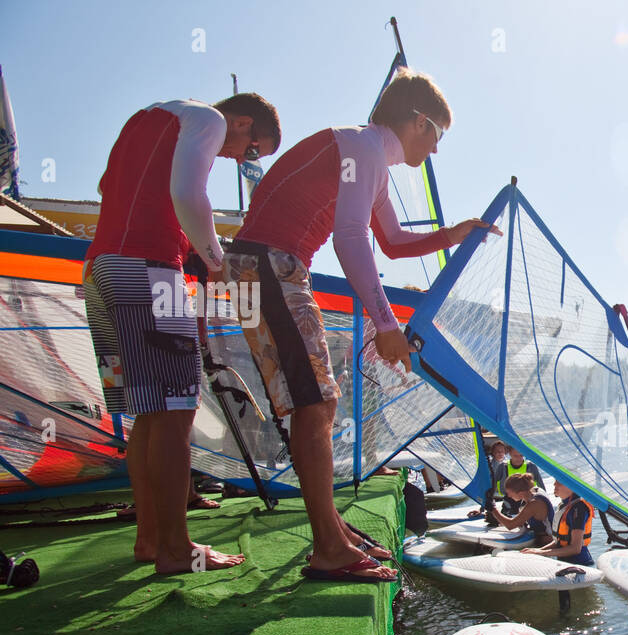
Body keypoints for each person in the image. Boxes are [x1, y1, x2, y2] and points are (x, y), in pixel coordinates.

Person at [224, 68, 501, 583]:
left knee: (315, 402)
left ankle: (330, 529)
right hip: (265, 266)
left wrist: (454, 234)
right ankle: (327, 546)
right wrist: (386, 323)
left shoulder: (366, 154)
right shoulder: (365, 150)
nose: (437, 150)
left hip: (258, 270)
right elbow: (350, 237)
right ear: (418, 121)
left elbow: (392, 241)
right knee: (317, 403)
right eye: (438, 134)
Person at [85, 93, 281, 574]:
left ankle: (150, 539)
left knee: (150, 415)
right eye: (251, 150)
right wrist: (215, 262)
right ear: (240, 122)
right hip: (148, 272)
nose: (240, 160)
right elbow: (189, 195)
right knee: (177, 408)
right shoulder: (206, 119)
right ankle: (175, 549)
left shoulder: (145, 118)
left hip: (99, 270)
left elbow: (106, 185)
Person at [522, 479, 593, 566]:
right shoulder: (564, 505)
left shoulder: (578, 508)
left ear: (571, 486)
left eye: (559, 481)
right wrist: (538, 551)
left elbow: (575, 548)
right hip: (565, 563)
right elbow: (559, 541)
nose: (554, 484)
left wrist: (541, 553)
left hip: (581, 566)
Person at [485, 473, 554, 545]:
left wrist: (493, 509)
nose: (508, 496)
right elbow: (521, 521)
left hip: (547, 541)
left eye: (509, 493)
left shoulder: (535, 504)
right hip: (537, 536)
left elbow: (510, 525)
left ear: (520, 493)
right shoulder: (532, 491)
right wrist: (498, 519)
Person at [493, 445, 545, 516]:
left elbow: (540, 484)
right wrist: (484, 506)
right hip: (509, 500)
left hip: (527, 500)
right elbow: (493, 485)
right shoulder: (503, 466)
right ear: (510, 454)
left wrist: (545, 502)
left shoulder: (530, 466)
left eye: (521, 455)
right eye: (515, 456)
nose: (519, 458)